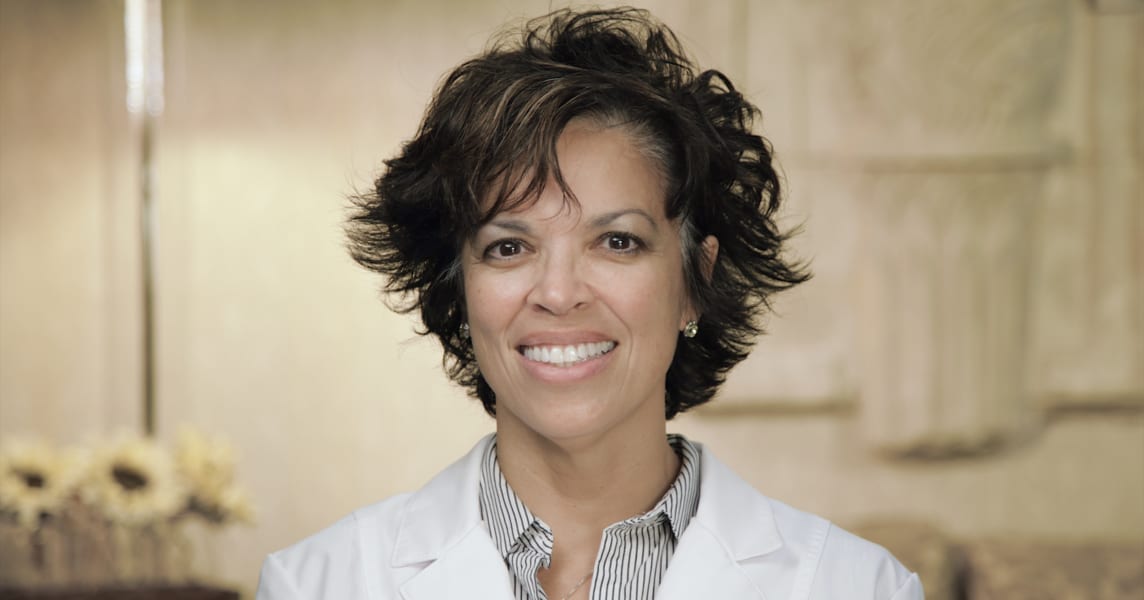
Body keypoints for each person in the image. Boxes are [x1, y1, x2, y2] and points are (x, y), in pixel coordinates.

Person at [256, 7, 922, 600]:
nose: (558, 293)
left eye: (617, 241)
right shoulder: (317, 584)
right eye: (508, 247)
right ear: (457, 287)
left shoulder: (859, 587)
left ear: (694, 280)